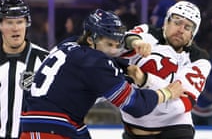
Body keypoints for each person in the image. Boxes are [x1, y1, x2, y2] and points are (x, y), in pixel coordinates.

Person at [19, 9, 185, 139]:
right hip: (49, 127)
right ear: (91, 39)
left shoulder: (69, 44)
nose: (114, 50)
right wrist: (167, 93)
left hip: (56, 124)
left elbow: (100, 64)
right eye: (108, 44)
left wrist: (126, 68)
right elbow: (135, 105)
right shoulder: (95, 62)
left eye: (116, 44)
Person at [120, 1, 211, 139]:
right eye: (176, 22)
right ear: (165, 23)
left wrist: (145, 80)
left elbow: (180, 105)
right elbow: (119, 43)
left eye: (187, 27)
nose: (180, 29)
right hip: (133, 130)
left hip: (176, 130)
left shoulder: (200, 60)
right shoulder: (148, 33)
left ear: (192, 35)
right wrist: (134, 42)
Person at [0, 0, 49, 139]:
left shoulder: (45, 60)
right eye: (9, 22)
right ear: (1, 25)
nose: (15, 28)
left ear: (27, 24)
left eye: (20, 22)